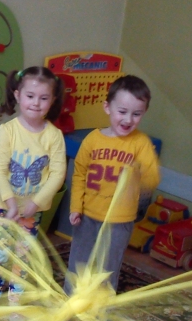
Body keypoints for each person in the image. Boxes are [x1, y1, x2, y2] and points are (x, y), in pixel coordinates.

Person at [65, 75, 160, 296]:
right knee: (78, 264)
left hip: (120, 221)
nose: (128, 119)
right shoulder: (92, 140)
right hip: (87, 217)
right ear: (107, 107)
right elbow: (79, 174)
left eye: (136, 114)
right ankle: (69, 302)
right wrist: (76, 207)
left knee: (108, 269)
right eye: (122, 111)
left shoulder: (141, 144)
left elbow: (152, 179)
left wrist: (141, 172)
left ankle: (102, 308)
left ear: (144, 112)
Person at [0, 67, 67, 310]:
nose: (36, 103)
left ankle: (15, 300)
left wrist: (35, 203)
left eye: (44, 98)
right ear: (18, 95)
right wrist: (10, 203)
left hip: (32, 210)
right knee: (1, 254)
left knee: (23, 255)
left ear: (52, 100)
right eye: (30, 96)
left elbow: (58, 174)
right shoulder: (8, 130)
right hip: (3, 208)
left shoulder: (54, 136)